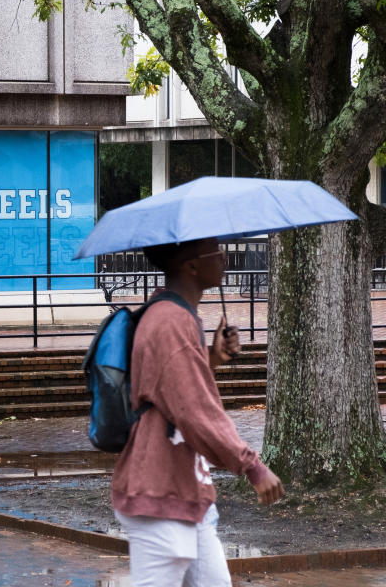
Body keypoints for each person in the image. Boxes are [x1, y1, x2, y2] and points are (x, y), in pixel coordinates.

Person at [111, 237, 284, 586]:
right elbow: (193, 410)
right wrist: (251, 464)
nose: (223, 257)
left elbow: (172, 385)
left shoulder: (174, 315)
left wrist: (212, 358)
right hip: (159, 493)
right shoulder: (171, 321)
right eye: (215, 252)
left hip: (185, 490)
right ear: (190, 265)